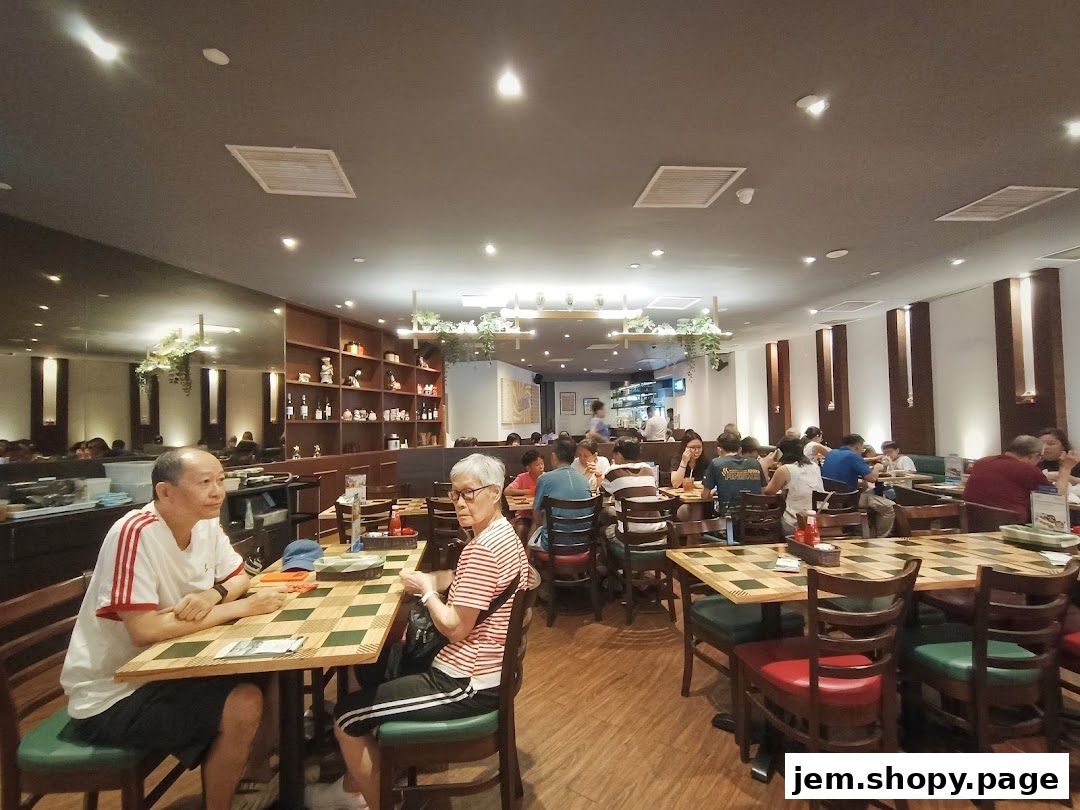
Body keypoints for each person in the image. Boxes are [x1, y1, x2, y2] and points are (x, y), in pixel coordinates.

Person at [60, 449, 286, 810]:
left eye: (220, 480)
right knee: (243, 702)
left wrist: (213, 595)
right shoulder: (135, 533)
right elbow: (144, 630)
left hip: (169, 667)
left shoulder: (205, 523)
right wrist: (238, 607)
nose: (217, 491)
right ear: (165, 492)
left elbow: (239, 577)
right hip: (114, 692)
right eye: (204, 482)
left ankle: (257, 775)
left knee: (273, 667)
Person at [308, 454, 536, 810]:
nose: (459, 502)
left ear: (494, 493)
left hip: (466, 682)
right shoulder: (504, 535)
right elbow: (470, 585)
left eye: (469, 493)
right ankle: (370, 770)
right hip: (481, 669)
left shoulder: (482, 550)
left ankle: (362, 794)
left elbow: (456, 628)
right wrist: (433, 580)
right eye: (454, 493)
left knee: (346, 717)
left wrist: (428, 592)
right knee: (368, 667)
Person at [965, 435, 1078, 522]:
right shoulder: (1027, 469)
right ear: (1033, 456)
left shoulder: (982, 462)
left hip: (972, 520)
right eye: (1040, 458)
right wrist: (1066, 468)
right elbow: (1056, 499)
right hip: (1009, 524)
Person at [821, 434, 894, 537]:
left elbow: (853, 461)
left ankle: (865, 531)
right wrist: (878, 467)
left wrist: (873, 458)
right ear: (857, 446)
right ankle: (880, 537)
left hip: (831, 497)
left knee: (866, 490)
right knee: (888, 506)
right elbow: (872, 478)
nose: (862, 451)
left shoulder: (832, 453)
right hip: (849, 498)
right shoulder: (853, 456)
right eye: (862, 448)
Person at [529, 437, 593, 550]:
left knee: (535, 527)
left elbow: (536, 515)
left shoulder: (544, 479)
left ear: (554, 456)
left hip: (553, 544)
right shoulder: (584, 480)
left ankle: (527, 559)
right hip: (583, 542)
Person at [601, 437, 665, 539]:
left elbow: (603, 493)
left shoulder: (613, 471)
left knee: (603, 525)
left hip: (630, 537)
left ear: (618, 454)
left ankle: (616, 549)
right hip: (658, 535)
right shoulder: (648, 469)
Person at [763, 437, 824, 534]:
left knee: (769, 518)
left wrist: (765, 466)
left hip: (795, 523)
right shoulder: (815, 466)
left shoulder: (784, 470)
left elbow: (768, 492)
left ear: (780, 453)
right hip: (818, 521)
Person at [704, 433, 764, 516]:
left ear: (719, 450)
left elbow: (705, 495)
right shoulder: (755, 463)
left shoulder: (716, 463)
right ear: (740, 449)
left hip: (729, 519)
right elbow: (763, 491)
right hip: (756, 517)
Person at [504, 449, 545, 543]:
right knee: (521, 529)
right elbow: (507, 491)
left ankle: (531, 551)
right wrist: (528, 491)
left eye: (542, 464)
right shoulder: (522, 477)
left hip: (541, 515)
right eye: (537, 465)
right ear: (528, 468)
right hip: (524, 515)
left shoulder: (546, 477)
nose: (541, 467)